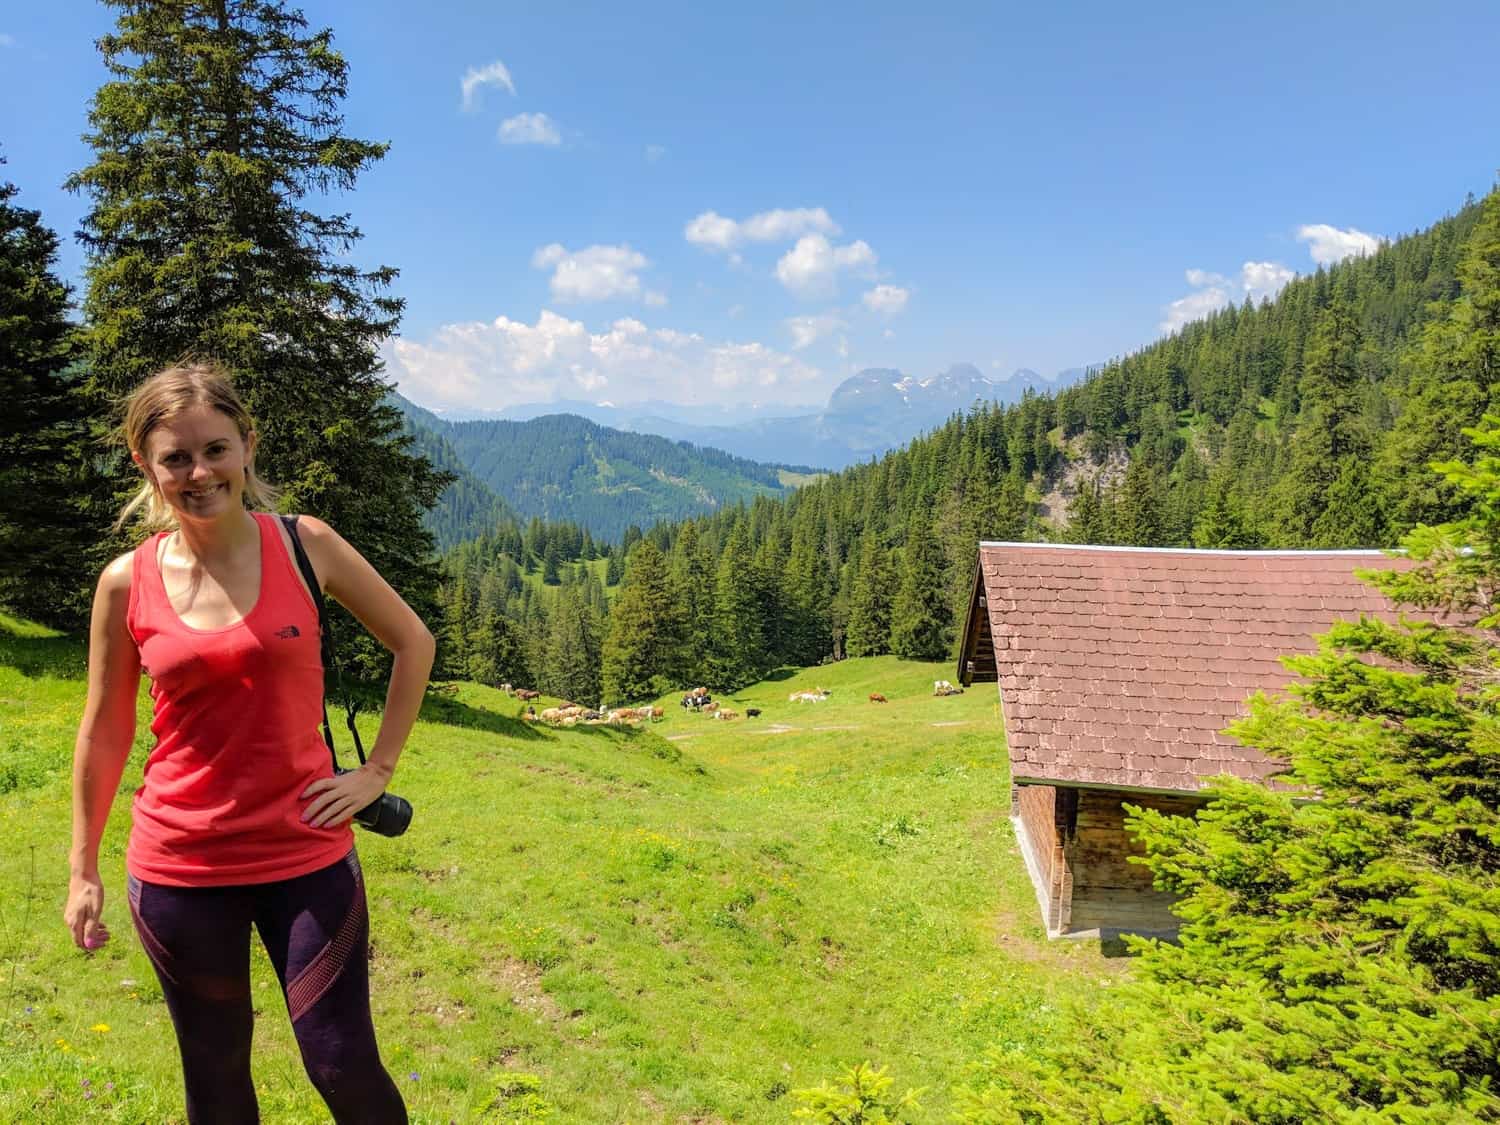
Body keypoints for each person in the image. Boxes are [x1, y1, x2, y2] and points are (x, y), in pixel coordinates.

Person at [64, 362, 433, 1124]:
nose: (199, 473)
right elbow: (105, 729)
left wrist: (378, 769)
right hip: (178, 868)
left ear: (247, 447)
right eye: (176, 457)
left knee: (342, 1061)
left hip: (306, 855)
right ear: (146, 464)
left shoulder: (308, 545)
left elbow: (413, 641)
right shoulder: (124, 583)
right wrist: (82, 867)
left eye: (216, 450)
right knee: (217, 1074)